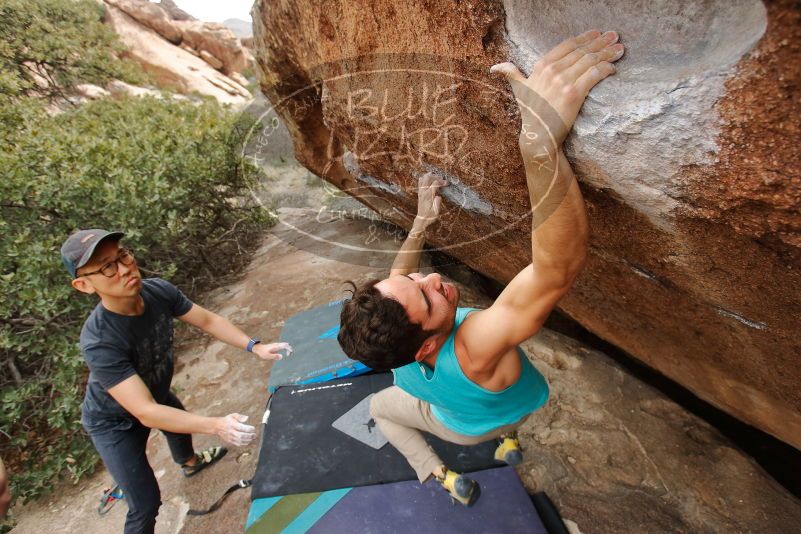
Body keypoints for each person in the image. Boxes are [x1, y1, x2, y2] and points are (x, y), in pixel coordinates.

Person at [337, 29, 624, 506]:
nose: (432, 279)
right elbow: (555, 270)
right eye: (427, 296)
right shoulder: (475, 343)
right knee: (380, 409)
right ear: (426, 344)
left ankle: (443, 472)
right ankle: (450, 469)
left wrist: (421, 224)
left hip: (471, 419)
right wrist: (538, 145)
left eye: (415, 280)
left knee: (383, 409)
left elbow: (400, 284)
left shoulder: (401, 353)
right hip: (502, 413)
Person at [60, 229, 291, 533]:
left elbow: (208, 320)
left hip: (154, 394)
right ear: (84, 285)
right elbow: (145, 411)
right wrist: (216, 425)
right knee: (145, 504)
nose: (125, 268)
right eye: (107, 267)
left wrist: (255, 346)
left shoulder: (157, 291)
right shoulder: (100, 340)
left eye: (123, 255)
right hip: (114, 422)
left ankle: (190, 463)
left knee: (175, 414)